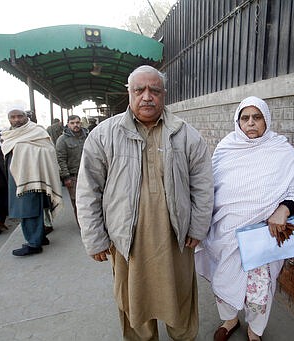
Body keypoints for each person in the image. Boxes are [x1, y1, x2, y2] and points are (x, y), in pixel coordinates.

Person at [76, 65, 214, 340]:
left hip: (176, 238)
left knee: (180, 297)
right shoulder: (104, 135)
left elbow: (203, 184)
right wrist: (95, 238)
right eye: (139, 90)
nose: (147, 96)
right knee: (133, 302)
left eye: (154, 90)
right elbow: (88, 190)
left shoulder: (185, 134)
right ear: (129, 93)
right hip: (127, 242)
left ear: (164, 95)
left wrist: (198, 227)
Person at [195, 96, 294, 341]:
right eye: (245, 118)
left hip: (261, 237)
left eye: (257, 117)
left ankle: (254, 331)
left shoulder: (281, 149)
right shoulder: (226, 148)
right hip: (225, 233)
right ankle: (229, 320)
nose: (251, 123)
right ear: (237, 122)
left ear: (266, 120)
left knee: (259, 291)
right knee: (223, 280)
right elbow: (209, 188)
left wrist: (284, 209)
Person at [1, 109, 63, 256]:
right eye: (13, 117)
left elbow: (49, 151)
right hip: (17, 179)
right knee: (31, 210)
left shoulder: (37, 132)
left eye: (19, 116)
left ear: (26, 117)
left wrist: (29, 153)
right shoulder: (11, 134)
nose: (16, 120)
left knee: (28, 210)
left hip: (32, 179)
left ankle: (34, 244)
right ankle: (39, 238)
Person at [55, 114, 88, 222]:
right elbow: (61, 160)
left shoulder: (88, 136)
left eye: (77, 123)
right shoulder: (62, 140)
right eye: (72, 123)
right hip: (74, 176)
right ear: (68, 124)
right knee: (78, 202)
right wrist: (66, 177)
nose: (75, 125)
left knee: (92, 200)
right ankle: (82, 225)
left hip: (90, 174)